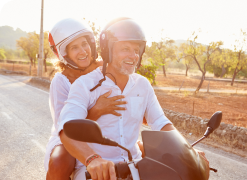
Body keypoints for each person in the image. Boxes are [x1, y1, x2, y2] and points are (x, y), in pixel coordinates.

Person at [58, 17, 209, 180]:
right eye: (125, 49)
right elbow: (66, 130)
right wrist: (92, 159)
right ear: (108, 50)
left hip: (136, 166)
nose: (133, 56)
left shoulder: (142, 85)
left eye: (136, 50)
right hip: (95, 170)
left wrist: (187, 150)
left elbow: (160, 122)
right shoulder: (85, 85)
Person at [44, 18, 127, 180]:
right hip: (69, 137)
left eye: (84, 44)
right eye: (74, 47)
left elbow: (128, 92)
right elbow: (64, 127)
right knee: (60, 160)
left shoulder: (106, 68)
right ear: (64, 54)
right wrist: (97, 110)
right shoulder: (61, 81)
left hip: (107, 130)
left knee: (145, 150)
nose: (82, 51)